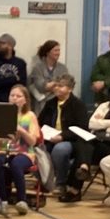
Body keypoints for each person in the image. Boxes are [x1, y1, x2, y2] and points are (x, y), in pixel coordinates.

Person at [38, 74, 91, 202]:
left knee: (60, 150)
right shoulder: (50, 104)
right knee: (38, 150)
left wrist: (62, 136)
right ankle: (45, 181)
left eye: (61, 86)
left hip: (70, 140)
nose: (57, 89)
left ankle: (60, 184)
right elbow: (40, 122)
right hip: (49, 137)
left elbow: (81, 128)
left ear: (70, 89)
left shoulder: (77, 105)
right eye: (56, 86)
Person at [0, 84, 40, 216]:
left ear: (25, 100)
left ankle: (22, 200)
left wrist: (20, 129)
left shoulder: (30, 115)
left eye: (18, 96)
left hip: (25, 150)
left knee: (16, 163)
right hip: (7, 148)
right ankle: (2, 199)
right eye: (12, 95)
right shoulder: (1, 115)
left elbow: (33, 141)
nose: (15, 98)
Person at [27, 40, 68, 114]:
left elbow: (66, 85)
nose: (58, 53)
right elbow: (41, 87)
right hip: (41, 103)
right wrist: (56, 83)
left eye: (59, 50)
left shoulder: (63, 68)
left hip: (58, 101)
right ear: (48, 52)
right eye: (55, 50)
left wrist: (52, 85)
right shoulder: (37, 68)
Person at [0, 33, 27, 102]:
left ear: (10, 46)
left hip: (15, 100)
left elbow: (22, 83)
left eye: (2, 43)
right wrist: (14, 78)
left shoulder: (20, 63)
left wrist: (3, 79)